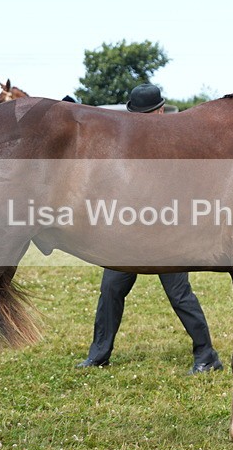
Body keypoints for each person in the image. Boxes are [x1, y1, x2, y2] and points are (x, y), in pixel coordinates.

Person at [78, 84, 223, 375]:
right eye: (137, 114)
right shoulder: (127, 141)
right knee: (110, 289)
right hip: (130, 233)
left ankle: (207, 356)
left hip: (166, 234)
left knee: (179, 294)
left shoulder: (176, 143)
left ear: (160, 110)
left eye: (147, 114)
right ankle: (99, 354)